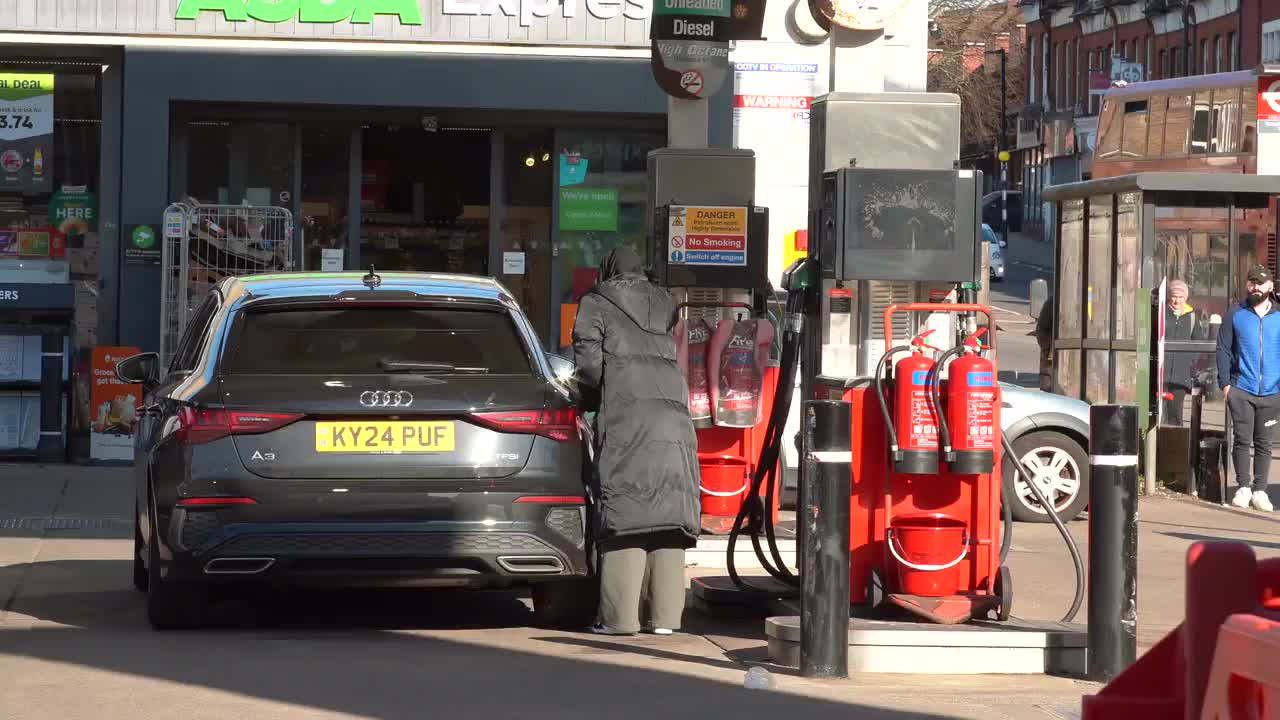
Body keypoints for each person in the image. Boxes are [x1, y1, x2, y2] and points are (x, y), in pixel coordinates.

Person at [571, 246, 700, 635]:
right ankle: (664, 618)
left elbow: (589, 367)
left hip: (628, 414)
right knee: (668, 509)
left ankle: (619, 618)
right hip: (675, 418)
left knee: (628, 505)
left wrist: (585, 400)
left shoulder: (596, 302)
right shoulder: (666, 302)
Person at [1216, 264, 1280, 512]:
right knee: (1242, 440)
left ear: (1270, 287)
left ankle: (1260, 490)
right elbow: (1223, 349)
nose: (1254, 287)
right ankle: (1243, 487)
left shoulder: (1278, 315)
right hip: (1241, 388)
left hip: (1273, 392)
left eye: (1259, 283)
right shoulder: (1236, 313)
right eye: (1251, 282)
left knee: (1264, 443)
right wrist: (1225, 385)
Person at [1162, 279, 1203, 426]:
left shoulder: (1191, 316)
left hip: (1180, 375)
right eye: (1174, 296)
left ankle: (1173, 446)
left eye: (1180, 297)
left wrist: (1190, 361)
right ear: (1169, 296)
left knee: (1175, 412)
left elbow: (1198, 342)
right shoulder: (1161, 313)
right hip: (1162, 372)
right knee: (1160, 412)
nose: (1177, 300)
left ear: (1185, 298)